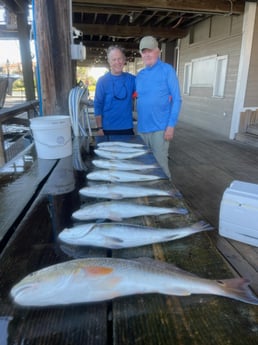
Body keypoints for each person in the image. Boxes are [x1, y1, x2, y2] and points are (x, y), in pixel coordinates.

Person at [136, 36, 182, 180]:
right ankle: (147, 197)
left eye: (151, 51)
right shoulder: (140, 75)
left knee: (161, 166)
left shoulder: (167, 70)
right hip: (142, 129)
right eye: (144, 52)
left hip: (160, 129)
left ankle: (168, 199)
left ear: (158, 51)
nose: (147, 54)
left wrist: (171, 125)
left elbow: (177, 99)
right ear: (141, 54)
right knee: (143, 166)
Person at [94, 45, 136, 136]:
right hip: (107, 129)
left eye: (120, 58)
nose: (117, 62)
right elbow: (98, 105)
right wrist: (99, 128)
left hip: (127, 128)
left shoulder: (132, 79)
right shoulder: (102, 81)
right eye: (114, 59)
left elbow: (147, 90)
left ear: (124, 60)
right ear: (109, 62)